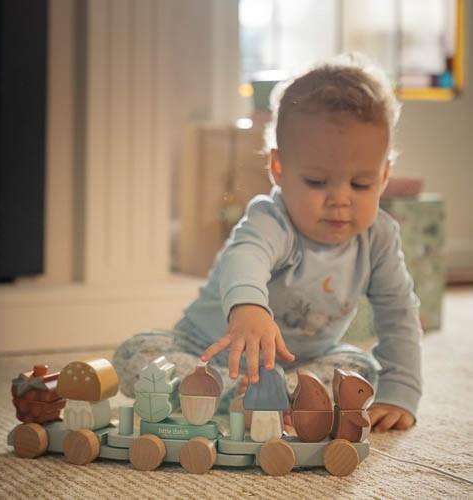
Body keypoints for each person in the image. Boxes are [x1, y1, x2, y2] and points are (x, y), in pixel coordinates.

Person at [113, 54, 422, 432]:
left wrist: (401, 391)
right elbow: (247, 255)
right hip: (204, 353)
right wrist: (248, 307)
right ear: (279, 168)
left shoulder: (379, 239)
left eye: (360, 184)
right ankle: (231, 394)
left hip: (299, 363)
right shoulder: (272, 218)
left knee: (362, 373)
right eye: (316, 181)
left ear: (385, 174)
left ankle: (278, 395)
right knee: (135, 354)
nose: (340, 199)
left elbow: (399, 314)